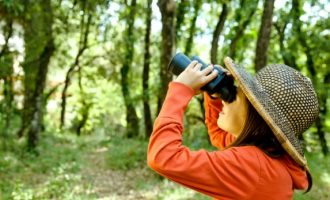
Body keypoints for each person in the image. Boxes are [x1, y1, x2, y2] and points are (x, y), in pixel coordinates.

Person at [147, 57, 319, 200]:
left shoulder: (252, 165)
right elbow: (219, 136)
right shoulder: (270, 157)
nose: (226, 99)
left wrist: (181, 90)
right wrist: (214, 96)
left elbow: (163, 157)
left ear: (258, 117)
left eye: (236, 96)